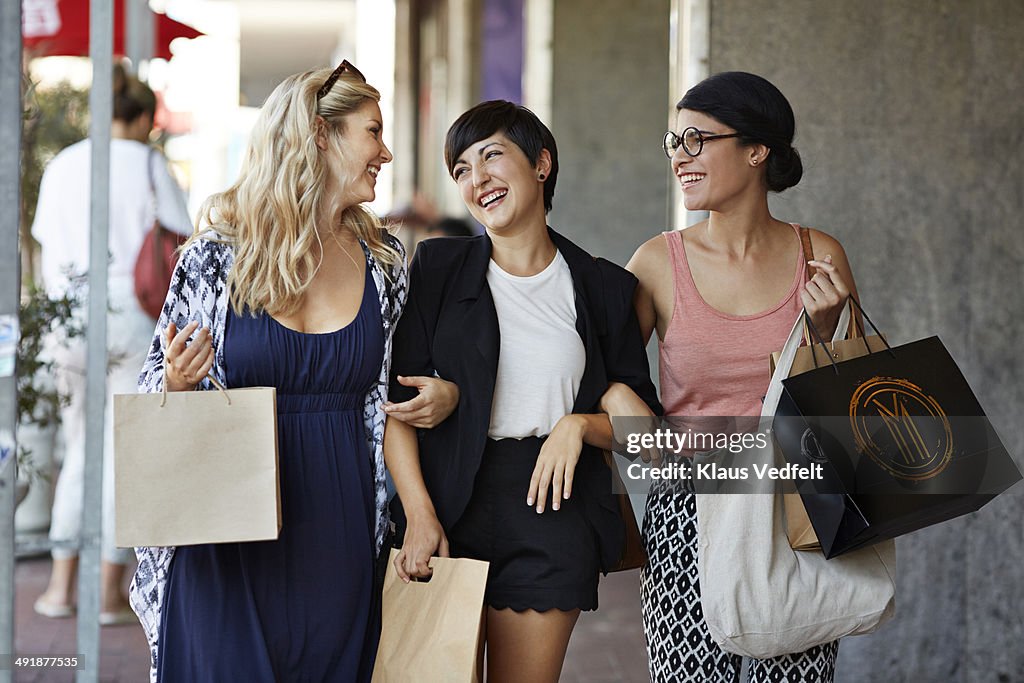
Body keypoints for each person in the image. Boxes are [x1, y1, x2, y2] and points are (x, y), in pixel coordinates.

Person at [129, 61, 453, 683]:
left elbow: (386, 403)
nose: (384, 152)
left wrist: (420, 511)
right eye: (373, 132)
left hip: (340, 530)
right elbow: (152, 395)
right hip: (225, 533)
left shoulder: (383, 263)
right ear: (320, 137)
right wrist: (176, 382)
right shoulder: (215, 259)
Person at [383, 100, 661, 682]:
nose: (476, 178)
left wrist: (580, 425)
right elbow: (397, 407)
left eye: (491, 156)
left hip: (552, 510)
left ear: (541, 163)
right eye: (460, 168)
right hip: (447, 504)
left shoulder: (605, 287)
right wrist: (417, 515)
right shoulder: (437, 266)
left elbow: (647, 436)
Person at [607, 71, 861, 682]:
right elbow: (611, 383)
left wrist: (824, 334)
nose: (680, 157)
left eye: (696, 140)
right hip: (688, 509)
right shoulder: (655, 262)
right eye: (673, 142)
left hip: (795, 505)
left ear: (756, 150)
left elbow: (854, 410)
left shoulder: (818, 254)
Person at [31, 63, 192, 625]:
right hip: (133, 318)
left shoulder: (65, 164)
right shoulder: (150, 163)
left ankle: (58, 589)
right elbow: (183, 235)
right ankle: (106, 598)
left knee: (79, 446)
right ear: (146, 117)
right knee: (125, 451)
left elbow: (47, 246)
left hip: (69, 321)